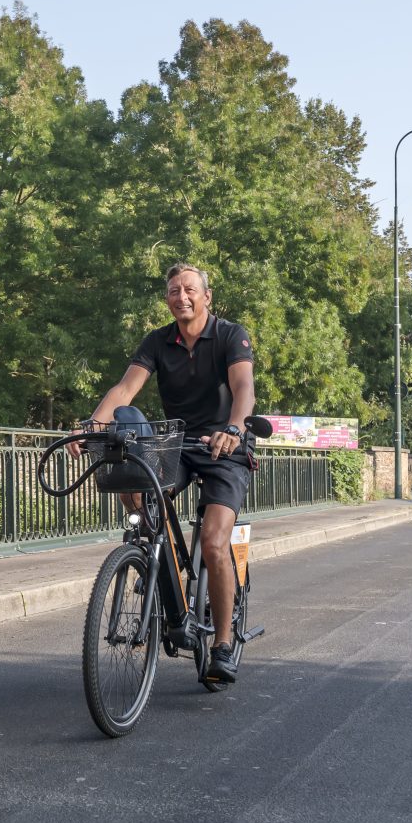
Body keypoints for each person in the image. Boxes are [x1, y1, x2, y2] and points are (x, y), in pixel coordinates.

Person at [77, 262, 256, 683]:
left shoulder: (230, 335)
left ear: (207, 296)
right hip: (178, 445)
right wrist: (92, 426)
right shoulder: (158, 341)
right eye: (174, 290)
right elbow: (125, 389)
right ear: (167, 299)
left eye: (190, 289)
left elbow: (243, 387)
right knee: (136, 489)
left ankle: (222, 645)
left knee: (213, 542)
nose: (182, 296)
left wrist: (234, 429)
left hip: (224, 447)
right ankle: (164, 568)